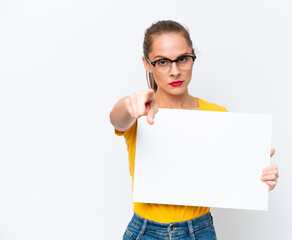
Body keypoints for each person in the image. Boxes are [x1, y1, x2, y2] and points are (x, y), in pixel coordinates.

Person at [109, 20, 279, 240]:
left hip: (199, 231)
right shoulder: (140, 111)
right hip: (145, 232)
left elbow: (233, 177)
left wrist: (259, 177)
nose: (175, 71)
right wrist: (127, 104)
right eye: (162, 62)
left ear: (192, 57)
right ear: (147, 64)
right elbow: (117, 120)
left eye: (182, 59)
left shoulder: (218, 116)